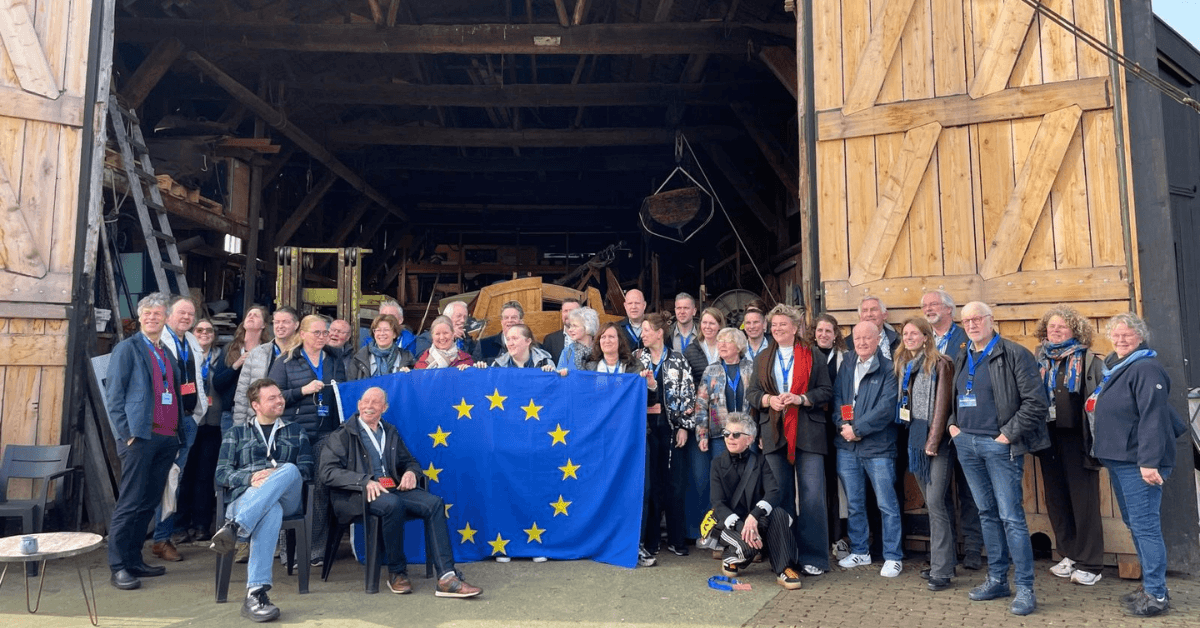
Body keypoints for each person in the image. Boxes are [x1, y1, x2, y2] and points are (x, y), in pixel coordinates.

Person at [319, 387, 482, 598]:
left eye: (375, 402)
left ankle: (446, 577)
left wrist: (411, 473)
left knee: (434, 503)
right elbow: (327, 472)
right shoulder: (342, 435)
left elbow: (410, 462)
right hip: (357, 494)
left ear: (384, 408)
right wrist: (364, 481)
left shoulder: (390, 431)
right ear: (358, 405)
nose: (369, 406)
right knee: (392, 505)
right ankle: (397, 573)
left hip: (392, 489)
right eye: (365, 401)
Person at [948, 301, 1048, 616]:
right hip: (967, 444)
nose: (972, 324)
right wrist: (953, 427)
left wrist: (1006, 435)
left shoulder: (1015, 354)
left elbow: (1036, 402)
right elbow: (955, 395)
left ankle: (1026, 588)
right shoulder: (963, 354)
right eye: (966, 320)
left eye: (977, 318)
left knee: (1011, 517)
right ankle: (997, 580)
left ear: (992, 320)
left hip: (1000, 446)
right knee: (987, 514)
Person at [1091, 313, 1186, 617]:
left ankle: (1156, 595)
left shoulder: (1145, 368)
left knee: (1145, 528)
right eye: (1116, 335)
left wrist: (1148, 462)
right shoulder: (1117, 366)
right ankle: (1151, 587)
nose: (1121, 340)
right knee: (1136, 525)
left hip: (1138, 463)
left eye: (1128, 335)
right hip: (1121, 460)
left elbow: (1152, 417)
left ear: (1140, 337)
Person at [211, 378, 312, 622]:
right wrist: (250, 478)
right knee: (271, 510)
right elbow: (221, 474)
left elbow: (307, 470)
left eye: (280, 396)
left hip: (287, 497)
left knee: (289, 469)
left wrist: (274, 476)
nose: (280, 401)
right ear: (255, 405)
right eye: (272, 398)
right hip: (246, 496)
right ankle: (255, 594)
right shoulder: (236, 433)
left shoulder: (296, 430)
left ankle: (236, 528)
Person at [746, 304, 833, 575]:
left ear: (795, 328)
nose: (777, 329)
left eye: (783, 324)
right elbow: (752, 394)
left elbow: (826, 391)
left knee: (812, 497)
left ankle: (814, 558)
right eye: (774, 325)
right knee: (780, 495)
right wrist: (768, 400)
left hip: (808, 433)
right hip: (774, 433)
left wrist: (801, 398)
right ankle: (784, 555)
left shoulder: (814, 355)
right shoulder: (762, 358)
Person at [104, 292, 182, 590]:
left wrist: (177, 434)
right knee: (130, 502)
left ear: (166, 318)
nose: (152, 318)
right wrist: (127, 434)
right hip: (140, 437)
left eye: (157, 313)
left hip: (166, 437)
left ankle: (134, 559)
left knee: (148, 502)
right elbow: (114, 396)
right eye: (147, 313)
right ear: (139, 317)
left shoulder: (167, 352)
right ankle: (118, 566)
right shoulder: (128, 349)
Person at [1034, 307, 1106, 586]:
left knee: (1083, 500)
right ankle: (1070, 554)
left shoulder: (1088, 360)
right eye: (1052, 326)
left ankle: (1091, 563)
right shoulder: (1038, 358)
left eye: (1062, 326)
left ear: (1075, 330)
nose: (1056, 330)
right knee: (1057, 498)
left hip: (1078, 438)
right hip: (1047, 437)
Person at [268, 314, 347, 566]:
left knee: (320, 490)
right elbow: (274, 397)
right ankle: (288, 551)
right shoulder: (285, 361)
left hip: (327, 433)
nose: (322, 337)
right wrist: (302, 391)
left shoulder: (335, 359)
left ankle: (315, 550)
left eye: (325, 333)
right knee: (292, 491)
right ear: (302, 334)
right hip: (294, 434)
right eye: (317, 332)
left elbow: (343, 392)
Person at [833, 321, 902, 578]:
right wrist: (845, 425)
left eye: (867, 338)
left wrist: (858, 429)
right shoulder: (847, 364)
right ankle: (860, 550)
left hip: (878, 448)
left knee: (887, 504)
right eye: (858, 338)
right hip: (847, 447)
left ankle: (893, 556)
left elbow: (886, 408)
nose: (862, 342)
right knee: (855, 503)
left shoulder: (889, 368)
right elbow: (840, 398)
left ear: (877, 340)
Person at [893, 317, 955, 591]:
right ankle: (944, 561)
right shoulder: (907, 365)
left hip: (936, 441)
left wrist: (933, 440)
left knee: (936, 502)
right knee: (933, 505)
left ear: (926, 337)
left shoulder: (941, 363)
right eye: (905, 333)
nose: (908, 337)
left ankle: (941, 571)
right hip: (916, 438)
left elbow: (943, 406)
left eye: (914, 333)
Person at [922, 289, 983, 571]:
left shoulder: (964, 337)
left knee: (971, 491)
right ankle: (944, 554)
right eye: (925, 305)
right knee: (939, 495)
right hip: (934, 429)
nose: (928, 309)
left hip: (963, 424)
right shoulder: (924, 340)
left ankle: (972, 549)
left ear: (949, 309)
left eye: (934, 304)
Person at [708, 414, 804, 590]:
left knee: (779, 513)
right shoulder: (717, 464)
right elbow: (717, 502)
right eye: (727, 433)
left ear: (750, 439)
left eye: (736, 434)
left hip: (754, 520)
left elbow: (774, 492)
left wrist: (754, 515)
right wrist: (743, 528)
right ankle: (729, 557)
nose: (730, 438)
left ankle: (784, 569)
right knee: (747, 549)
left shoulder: (760, 461)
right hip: (730, 524)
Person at [151, 295, 208, 563]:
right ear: (168, 315)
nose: (186, 317)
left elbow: (196, 379)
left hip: (187, 420)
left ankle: (163, 538)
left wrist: (198, 413)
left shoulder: (192, 341)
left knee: (175, 479)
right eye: (181, 313)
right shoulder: (158, 341)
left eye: (190, 314)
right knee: (161, 480)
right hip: (165, 422)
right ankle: (159, 538)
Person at [636, 313, 696, 561]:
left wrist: (684, 426)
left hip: (671, 429)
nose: (643, 334)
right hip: (646, 430)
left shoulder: (679, 360)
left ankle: (676, 539)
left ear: (660, 333)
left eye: (647, 330)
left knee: (675, 484)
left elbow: (689, 395)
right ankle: (650, 541)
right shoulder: (637, 359)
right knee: (651, 485)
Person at [173, 318, 225, 544]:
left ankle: (202, 525)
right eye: (199, 329)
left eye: (209, 330)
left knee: (205, 476)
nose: (204, 333)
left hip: (212, 423)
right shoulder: (184, 355)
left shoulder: (222, 357)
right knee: (184, 475)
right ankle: (180, 526)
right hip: (189, 421)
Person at [812, 313, 849, 559]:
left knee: (838, 485)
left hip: (838, 429)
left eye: (828, 330)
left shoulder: (845, 359)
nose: (823, 334)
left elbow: (848, 394)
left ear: (835, 334)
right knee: (817, 483)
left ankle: (838, 537)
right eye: (819, 330)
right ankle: (819, 537)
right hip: (814, 428)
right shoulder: (807, 356)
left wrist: (846, 422)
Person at [233, 307, 300, 426]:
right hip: (258, 421)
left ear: (296, 325)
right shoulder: (256, 353)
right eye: (277, 322)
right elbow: (242, 393)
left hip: (292, 420)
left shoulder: (302, 354)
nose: (280, 326)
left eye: (285, 322)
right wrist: (239, 427)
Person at [696, 327, 753, 460]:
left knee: (749, 471)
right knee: (722, 471)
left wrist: (761, 434)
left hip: (747, 434)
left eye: (727, 341)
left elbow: (758, 403)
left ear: (738, 346)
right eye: (720, 341)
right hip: (720, 435)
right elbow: (701, 405)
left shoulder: (751, 368)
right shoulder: (711, 370)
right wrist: (702, 435)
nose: (722, 345)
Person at [223, 305, 270, 431]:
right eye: (249, 315)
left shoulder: (268, 351)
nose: (251, 317)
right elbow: (218, 383)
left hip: (258, 412)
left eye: (256, 315)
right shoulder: (230, 348)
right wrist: (236, 365)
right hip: (230, 411)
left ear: (264, 325)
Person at [348, 314, 415, 380]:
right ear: (374, 333)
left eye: (386, 330)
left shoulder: (407, 357)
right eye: (378, 330)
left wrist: (407, 377)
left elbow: (413, 383)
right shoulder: (360, 357)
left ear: (394, 334)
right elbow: (351, 384)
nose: (382, 333)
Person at [413, 301, 477, 358]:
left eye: (465, 317)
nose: (463, 320)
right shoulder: (426, 337)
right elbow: (423, 358)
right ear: (447, 318)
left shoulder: (466, 338)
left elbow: (476, 357)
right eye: (458, 316)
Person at [556, 306, 598, 372]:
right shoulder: (567, 352)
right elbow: (558, 376)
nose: (570, 330)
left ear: (588, 327)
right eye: (570, 326)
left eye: (574, 326)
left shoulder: (600, 350)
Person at [542, 298, 582, 364]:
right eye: (565, 311)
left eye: (572, 311)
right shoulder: (550, 340)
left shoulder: (589, 339)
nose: (568, 314)